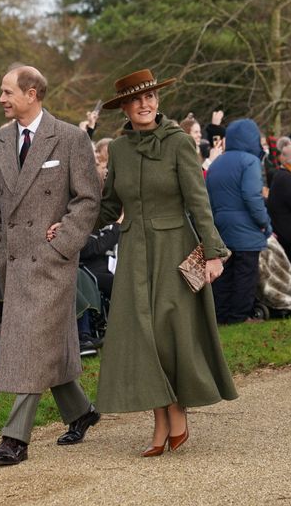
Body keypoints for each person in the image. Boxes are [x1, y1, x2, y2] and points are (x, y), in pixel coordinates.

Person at [92, 68, 237, 457]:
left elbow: (198, 201)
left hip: (175, 247)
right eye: (136, 99)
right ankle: (160, 417)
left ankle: (176, 408)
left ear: (158, 101)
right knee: (142, 336)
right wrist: (69, 227)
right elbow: (108, 205)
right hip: (134, 251)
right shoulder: (119, 150)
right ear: (124, 107)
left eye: (150, 97)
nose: (144, 104)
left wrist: (213, 251)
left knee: (170, 333)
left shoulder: (178, 143)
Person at [0, 65, 103, 466]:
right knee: (44, 340)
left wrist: (64, 242)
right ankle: (81, 411)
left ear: (31, 93)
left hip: (52, 262)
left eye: (6, 92)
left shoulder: (69, 138)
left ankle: (15, 438)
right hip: (14, 261)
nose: (0, 99)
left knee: (32, 341)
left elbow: (87, 199)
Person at [206, 118, 272, 324]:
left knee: (225, 274)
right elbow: (252, 196)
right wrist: (264, 222)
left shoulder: (217, 163)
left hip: (221, 226)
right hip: (246, 228)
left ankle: (221, 315)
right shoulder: (249, 161)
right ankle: (240, 316)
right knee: (245, 274)